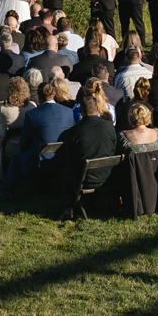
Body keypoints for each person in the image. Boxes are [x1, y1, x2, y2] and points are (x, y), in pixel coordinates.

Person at [0, 79, 76, 200]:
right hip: (64, 159)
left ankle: (6, 192)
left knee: (17, 156)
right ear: (53, 94)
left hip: (42, 161)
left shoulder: (33, 115)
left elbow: (23, 144)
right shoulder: (68, 112)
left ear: (39, 96)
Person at [55, 92, 122, 220]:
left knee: (65, 172)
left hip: (84, 179)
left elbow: (69, 160)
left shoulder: (73, 132)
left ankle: (69, 208)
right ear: (97, 109)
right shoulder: (109, 127)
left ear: (80, 111)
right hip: (109, 175)